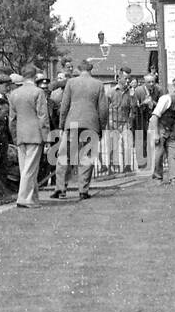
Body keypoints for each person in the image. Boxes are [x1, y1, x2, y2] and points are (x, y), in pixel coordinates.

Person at [53, 59, 108, 200]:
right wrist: (101, 127)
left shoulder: (71, 83)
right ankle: (83, 190)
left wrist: (62, 125)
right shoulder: (98, 84)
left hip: (72, 124)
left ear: (79, 69)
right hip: (91, 124)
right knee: (87, 156)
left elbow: (64, 106)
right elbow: (103, 109)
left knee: (64, 156)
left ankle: (61, 189)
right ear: (91, 70)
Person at [9, 66, 50, 209]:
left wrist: (15, 137)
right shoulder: (38, 92)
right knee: (30, 169)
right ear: (35, 77)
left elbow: (12, 119)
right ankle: (24, 199)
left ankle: (33, 198)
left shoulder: (14, 94)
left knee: (25, 168)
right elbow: (43, 117)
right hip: (35, 134)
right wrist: (46, 138)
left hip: (21, 134)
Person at [151, 79, 175, 185]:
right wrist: (156, 134)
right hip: (160, 128)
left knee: (174, 152)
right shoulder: (166, 99)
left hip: (171, 130)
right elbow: (155, 116)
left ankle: (174, 178)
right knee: (159, 154)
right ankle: (157, 178)